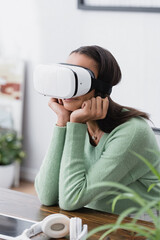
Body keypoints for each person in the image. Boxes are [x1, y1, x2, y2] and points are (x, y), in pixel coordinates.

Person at [35, 45, 160, 215]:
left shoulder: (133, 132)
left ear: (101, 88)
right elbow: (46, 195)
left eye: (80, 79)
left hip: (139, 227)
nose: (70, 86)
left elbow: (71, 200)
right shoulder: (74, 122)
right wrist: (62, 121)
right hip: (93, 221)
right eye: (67, 75)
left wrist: (75, 124)